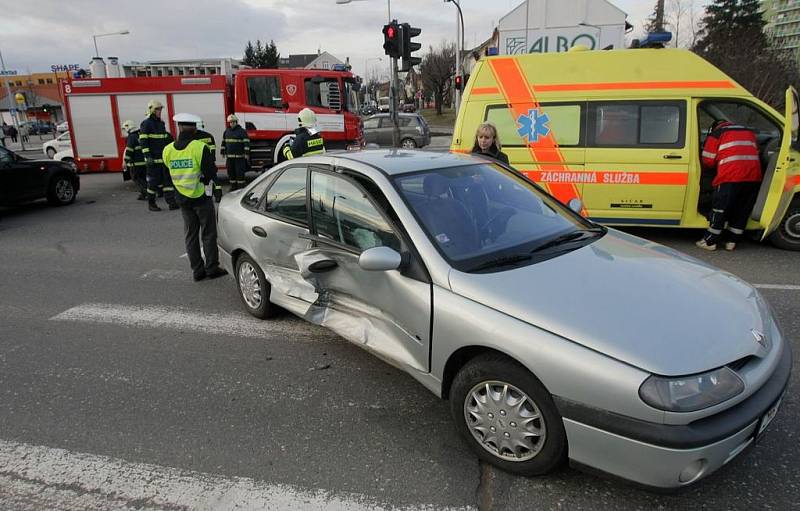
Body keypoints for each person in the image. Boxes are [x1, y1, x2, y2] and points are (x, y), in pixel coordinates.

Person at [162, 113, 227, 282]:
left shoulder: (167, 150)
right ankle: (212, 267)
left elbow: (167, 174)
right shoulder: (199, 147)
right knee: (208, 233)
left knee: (190, 235)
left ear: (179, 127)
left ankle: (197, 271)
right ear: (195, 128)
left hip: (182, 199)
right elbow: (211, 172)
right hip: (201, 197)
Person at [696, 120, 763, 251]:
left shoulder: (717, 133)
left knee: (720, 208)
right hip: (753, 176)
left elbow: (708, 160)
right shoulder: (748, 132)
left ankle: (710, 241)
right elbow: (757, 152)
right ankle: (731, 241)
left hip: (730, 176)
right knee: (742, 209)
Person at [140, 100, 177, 212]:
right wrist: (147, 156)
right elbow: (143, 141)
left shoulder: (161, 124)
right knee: (153, 184)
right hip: (153, 160)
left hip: (163, 159)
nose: (159, 111)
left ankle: (172, 203)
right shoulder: (146, 124)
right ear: (151, 110)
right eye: (157, 109)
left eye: (160, 109)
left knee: (168, 183)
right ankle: (151, 203)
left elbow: (165, 140)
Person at [193, 119, 222, 202]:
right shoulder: (209, 136)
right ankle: (218, 196)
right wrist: (212, 160)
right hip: (210, 162)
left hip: (199, 163)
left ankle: (206, 196)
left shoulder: (193, 137)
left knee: (203, 181)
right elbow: (213, 149)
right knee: (214, 179)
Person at [221, 114, 250, 191]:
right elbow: (223, 142)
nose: (232, 124)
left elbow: (246, 143)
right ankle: (233, 187)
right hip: (230, 158)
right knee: (231, 173)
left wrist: (247, 153)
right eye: (230, 122)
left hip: (239, 157)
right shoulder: (226, 132)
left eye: (233, 122)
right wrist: (222, 151)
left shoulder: (242, 131)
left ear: (236, 122)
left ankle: (241, 188)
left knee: (239, 173)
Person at [122, 120, 147, 200]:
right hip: (143, 163)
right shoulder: (139, 135)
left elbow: (129, 150)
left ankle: (146, 193)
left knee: (137, 179)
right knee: (143, 179)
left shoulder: (131, 137)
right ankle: (145, 194)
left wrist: (125, 161)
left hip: (135, 164)